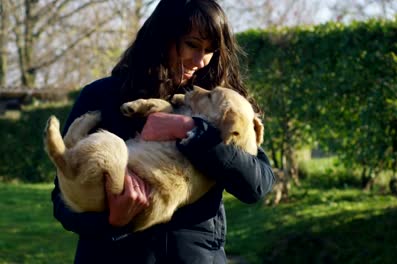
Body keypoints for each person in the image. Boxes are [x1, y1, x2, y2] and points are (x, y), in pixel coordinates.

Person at [50, 0, 275, 263]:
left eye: (210, 50)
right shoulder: (101, 96)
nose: (201, 61)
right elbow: (61, 199)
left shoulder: (218, 105)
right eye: (192, 44)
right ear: (163, 37)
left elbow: (257, 184)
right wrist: (112, 221)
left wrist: (191, 130)